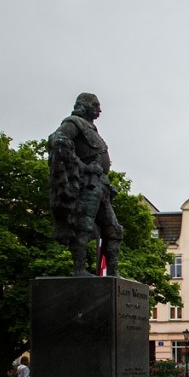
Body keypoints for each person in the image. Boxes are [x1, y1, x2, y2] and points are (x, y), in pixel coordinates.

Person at [48, 93, 124, 277]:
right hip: (87, 183)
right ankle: (79, 270)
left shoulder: (91, 129)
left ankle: (112, 274)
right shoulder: (74, 123)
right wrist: (84, 167)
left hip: (101, 184)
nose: (99, 109)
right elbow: (59, 142)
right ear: (84, 105)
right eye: (95, 105)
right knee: (84, 224)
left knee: (114, 229)